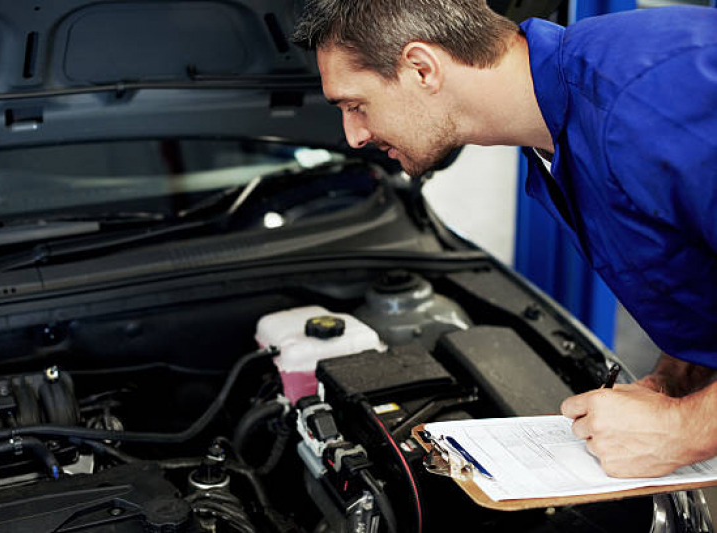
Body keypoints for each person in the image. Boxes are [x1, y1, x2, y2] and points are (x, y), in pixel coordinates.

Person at [292, 0, 717, 478]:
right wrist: (673, 382)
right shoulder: (557, 136)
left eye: (355, 105)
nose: (353, 135)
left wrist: (685, 428)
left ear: (420, 68)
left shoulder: (650, 100)